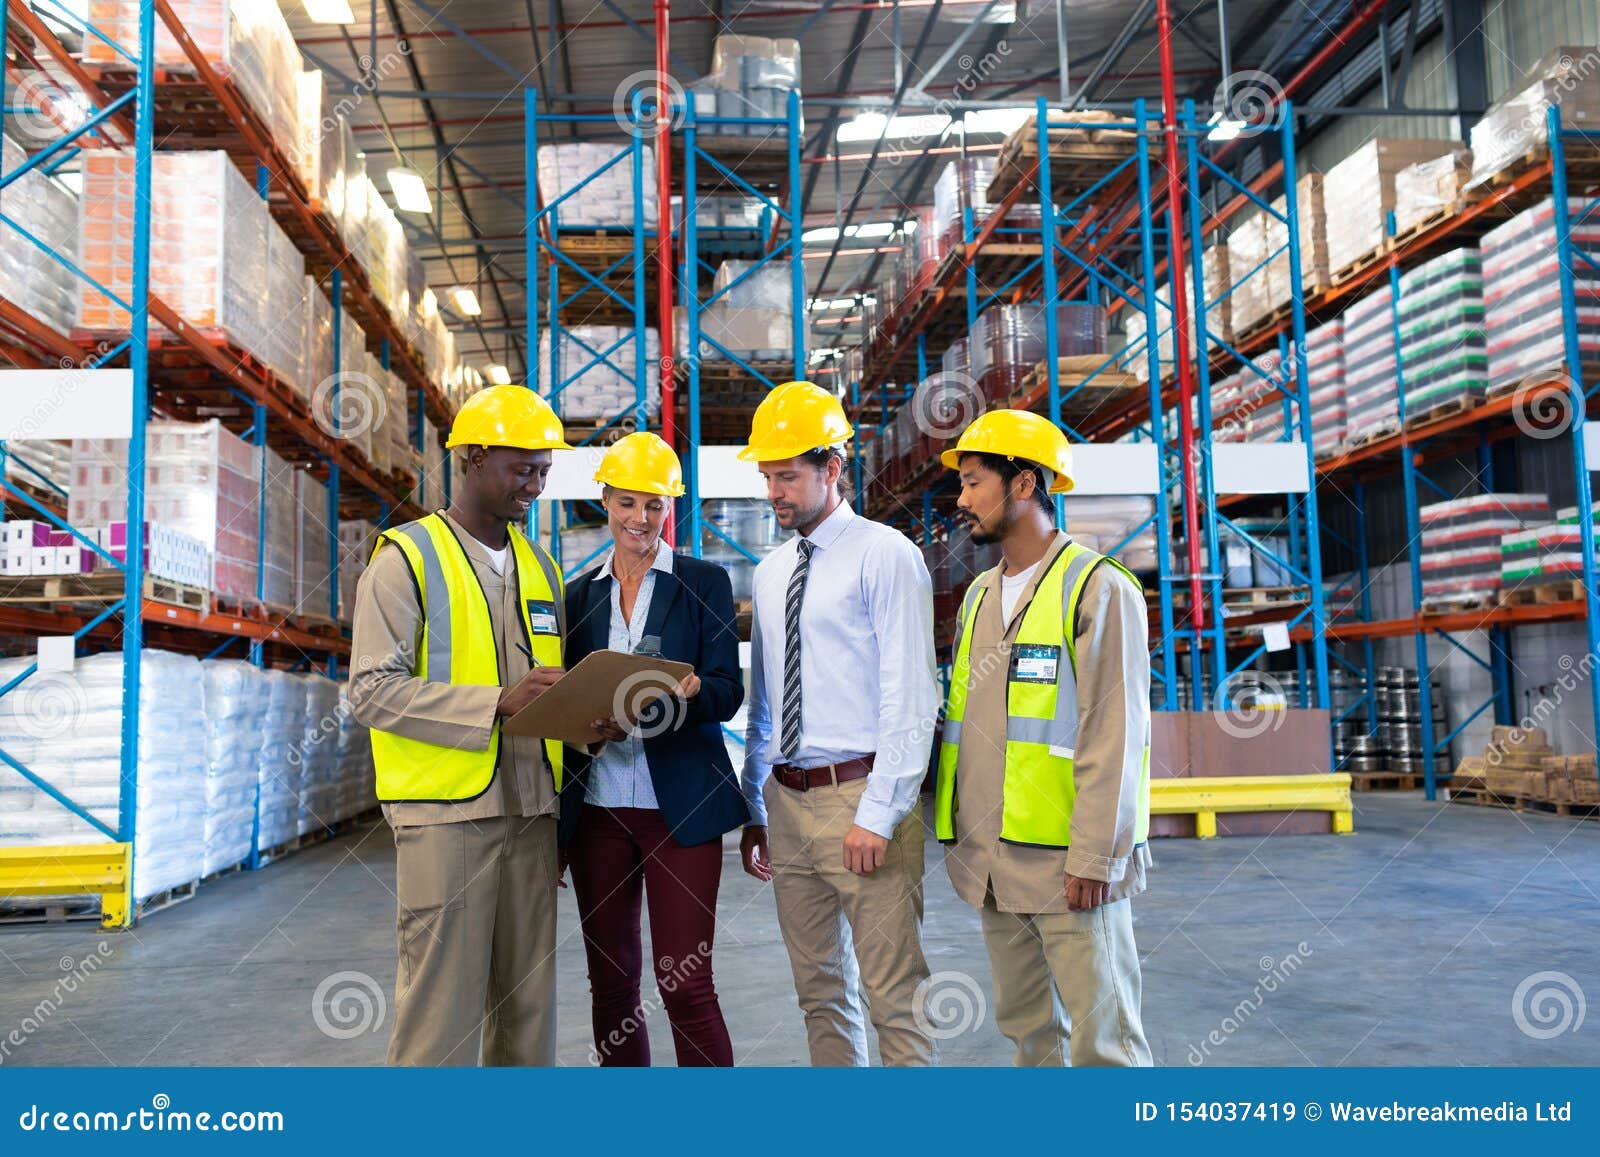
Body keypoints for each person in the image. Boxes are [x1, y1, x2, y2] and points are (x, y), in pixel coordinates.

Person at [350, 384, 612, 1067]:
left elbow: (541, 696)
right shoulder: (405, 559)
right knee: (442, 1013)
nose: (535, 483)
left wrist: (588, 720)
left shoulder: (540, 568)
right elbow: (371, 691)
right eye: (520, 467)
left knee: (528, 1012)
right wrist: (492, 702)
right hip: (446, 818)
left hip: (532, 817)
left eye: (544, 470)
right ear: (469, 456)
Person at [933, 409, 1153, 1067]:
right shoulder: (978, 595)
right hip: (996, 862)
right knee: (1031, 1036)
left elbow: (1115, 733)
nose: (961, 499)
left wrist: (1097, 855)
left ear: (1024, 483)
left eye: (974, 482)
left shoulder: (1096, 587)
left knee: (1104, 1042)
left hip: (1069, 867)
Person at [736, 380, 939, 1067]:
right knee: (819, 993)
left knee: (894, 996)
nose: (774, 492)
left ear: (833, 467)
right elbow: (763, 700)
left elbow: (912, 698)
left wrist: (878, 814)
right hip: (786, 802)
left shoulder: (885, 555)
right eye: (767, 476)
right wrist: (754, 802)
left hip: (860, 795)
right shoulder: (769, 573)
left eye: (787, 475)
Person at [559, 431, 746, 1067]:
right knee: (612, 985)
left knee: (685, 982)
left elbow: (727, 690)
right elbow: (567, 701)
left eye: (656, 505)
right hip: (600, 811)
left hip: (682, 809)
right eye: (628, 503)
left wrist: (673, 703)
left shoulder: (704, 582)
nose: (642, 519)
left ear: (671, 508)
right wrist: (589, 719)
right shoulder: (578, 595)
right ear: (605, 501)